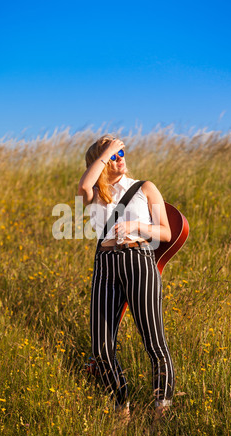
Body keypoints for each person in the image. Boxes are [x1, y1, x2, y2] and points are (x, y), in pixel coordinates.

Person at [78, 134, 175, 420]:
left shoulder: (145, 188)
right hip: (106, 265)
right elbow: (84, 183)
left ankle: (161, 409)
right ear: (102, 161)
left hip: (138, 260)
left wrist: (136, 225)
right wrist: (106, 151)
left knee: (153, 341)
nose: (119, 160)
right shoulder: (95, 193)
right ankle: (122, 405)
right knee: (101, 347)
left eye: (121, 154)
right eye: (112, 157)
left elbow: (166, 233)